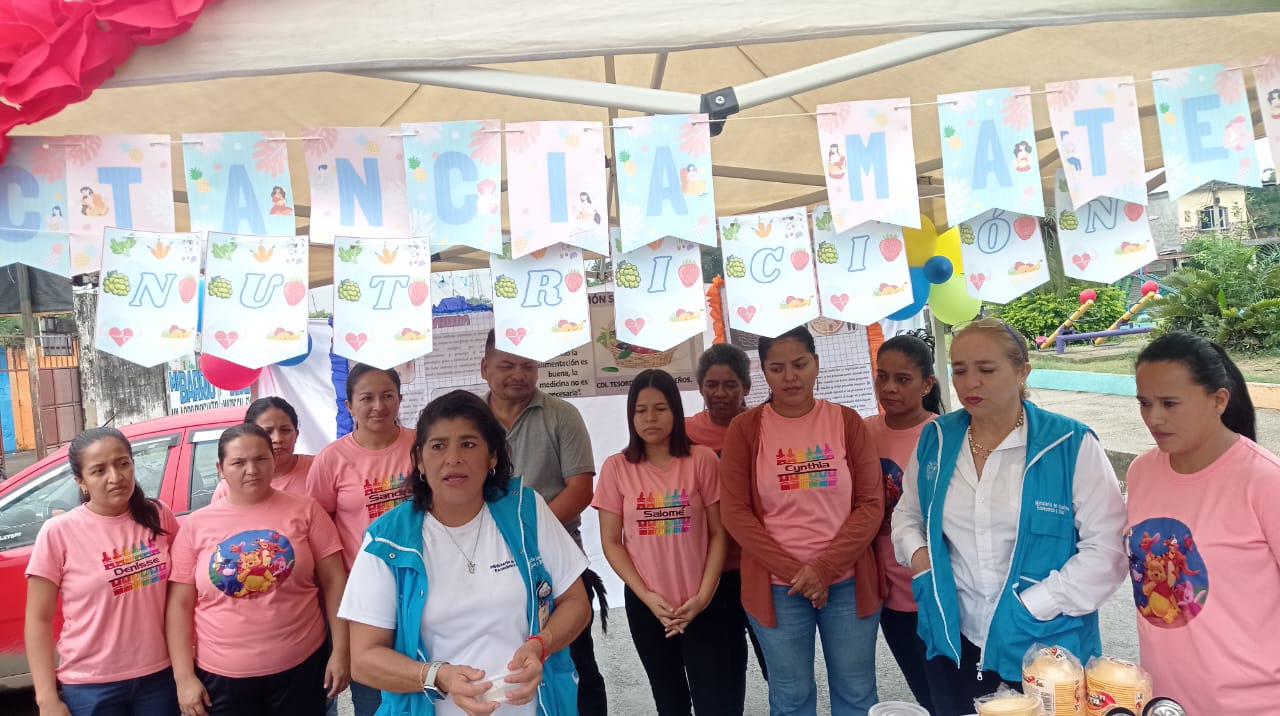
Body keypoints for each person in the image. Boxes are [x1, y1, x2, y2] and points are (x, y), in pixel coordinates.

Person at [892, 318, 1127, 716]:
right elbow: (907, 513)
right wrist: (921, 561)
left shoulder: (1069, 444)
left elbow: (1107, 551)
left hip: (1045, 644)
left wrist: (1032, 605)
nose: (970, 382)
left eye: (986, 369)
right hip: (955, 635)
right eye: (959, 370)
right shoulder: (937, 439)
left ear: (1022, 372)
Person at [340, 390, 592, 716]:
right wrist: (438, 676)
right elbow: (363, 660)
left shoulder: (526, 511)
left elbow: (576, 603)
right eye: (438, 446)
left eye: (469, 444)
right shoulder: (387, 540)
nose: (453, 458)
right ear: (419, 460)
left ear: (492, 456)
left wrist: (541, 646)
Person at [720, 325, 884, 716]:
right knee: (791, 695)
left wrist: (823, 570)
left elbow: (870, 505)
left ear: (816, 363)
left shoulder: (846, 421)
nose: (790, 377)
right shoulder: (745, 430)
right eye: (776, 368)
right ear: (762, 371)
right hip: (777, 588)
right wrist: (801, 575)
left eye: (799, 364)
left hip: (847, 582)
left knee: (857, 691)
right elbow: (735, 513)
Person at [1125, 331, 1280, 713]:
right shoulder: (1142, 472)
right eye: (1145, 403)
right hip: (1162, 700)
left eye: (1170, 403)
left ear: (1219, 400)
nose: (1154, 418)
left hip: (1251, 704)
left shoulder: (1264, 481)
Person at [167, 423, 349, 715]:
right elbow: (179, 605)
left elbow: (335, 582)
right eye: (238, 462)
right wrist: (184, 678)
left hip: (301, 668)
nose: (251, 470)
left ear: (273, 460)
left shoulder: (307, 511)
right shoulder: (195, 526)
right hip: (222, 676)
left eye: (260, 459)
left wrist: (341, 651)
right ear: (220, 468)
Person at [595, 370, 745, 715]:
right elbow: (611, 541)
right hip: (649, 607)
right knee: (669, 701)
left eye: (660, 408)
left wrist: (703, 597)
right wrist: (648, 597)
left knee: (716, 702)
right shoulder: (616, 468)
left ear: (676, 411)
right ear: (631, 415)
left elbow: (719, 532)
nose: (650, 418)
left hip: (705, 603)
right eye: (640, 410)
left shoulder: (702, 460)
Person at [481, 328, 608, 714]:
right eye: (507, 365)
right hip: (487, 565)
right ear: (485, 368)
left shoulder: (562, 415)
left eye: (527, 366)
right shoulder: (470, 422)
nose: (518, 375)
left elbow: (580, 491)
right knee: (500, 661)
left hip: (557, 567)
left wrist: (525, 534)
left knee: (575, 661)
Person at [24, 427, 181, 715]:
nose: (115, 477)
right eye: (99, 470)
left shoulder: (158, 515)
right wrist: (46, 698)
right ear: (81, 481)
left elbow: (182, 593)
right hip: (91, 686)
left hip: (158, 677)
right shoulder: (59, 532)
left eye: (123, 463)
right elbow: (38, 620)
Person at [308, 363, 417, 715]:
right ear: (349, 405)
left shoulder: (421, 446)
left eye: (387, 396)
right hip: (364, 596)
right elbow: (319, 534)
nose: (378, 406)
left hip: (421, 585)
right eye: (367, 398)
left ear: (400, 399)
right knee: (373, 698)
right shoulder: (331, 460)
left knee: (427, 685)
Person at [865, 333, 941, 711]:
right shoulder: (863, 432)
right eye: (882, 376)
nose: (889, 387)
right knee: (923, 690)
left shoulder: (944, 435)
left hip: (939, 592)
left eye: (903, 379)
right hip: (888, 592)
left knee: (950, 693)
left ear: (927, 384)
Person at [686, 343, 769, 679]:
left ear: (746, 387)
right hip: (711, 573)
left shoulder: (765, 426)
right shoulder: (684, 433)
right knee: (723, 672)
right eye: (711, 384)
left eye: (730, 385)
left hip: (761, 566)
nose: (720, 393)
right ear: (700, 386)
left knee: (778, 666)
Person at [214, 397, 313, 501]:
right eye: (267, 432)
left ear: (296, 434)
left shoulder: (318, 469)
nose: (278, 439)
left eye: (285, 430)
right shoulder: (227, 488)